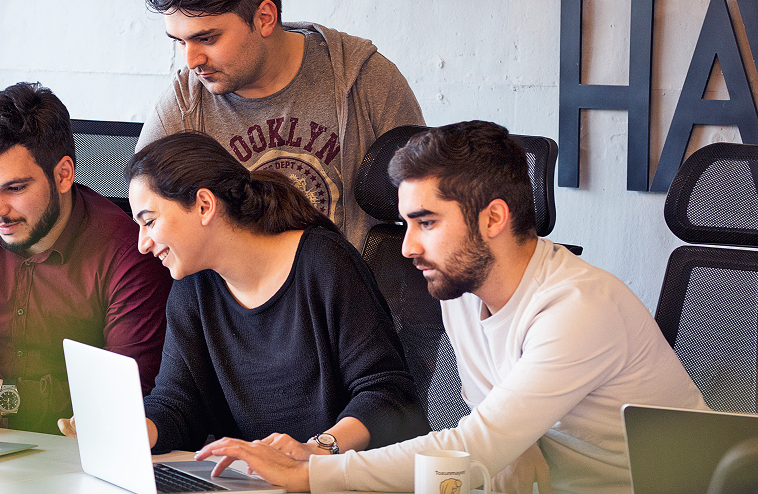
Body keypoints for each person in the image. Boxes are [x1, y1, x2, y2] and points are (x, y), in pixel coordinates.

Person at [195, 121, 708, 494]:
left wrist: (312, 473)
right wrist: (315, 453)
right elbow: (505, 452)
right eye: (406, 224)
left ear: (493, 218)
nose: (407, 247)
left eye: (427, 223)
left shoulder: (577, 308)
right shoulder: (463, 293)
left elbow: (477, 444)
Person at [85, 131, 429, 457]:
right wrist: (129, 429)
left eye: (149, 221)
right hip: (251, 480)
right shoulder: (192, 289)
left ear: (204, 205)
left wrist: (316, 451)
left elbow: (387, 393)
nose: (142, 244)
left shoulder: (324, 263)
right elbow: (177, 405)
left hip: (339, 476)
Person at [0, 82, 173, 436]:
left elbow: (127, 389)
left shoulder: (128, 252)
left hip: (77, 444)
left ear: (63, 175)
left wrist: (10, 399)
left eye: (14, 188)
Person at [137, 0, 424, 250]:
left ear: (265, 18)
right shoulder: (183, 106)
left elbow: (425, 201)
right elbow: (149, 220)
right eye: (180, 41)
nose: (191, 61)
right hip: (235, 295)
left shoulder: (366, 79)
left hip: (347, 292)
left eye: (207, 38)